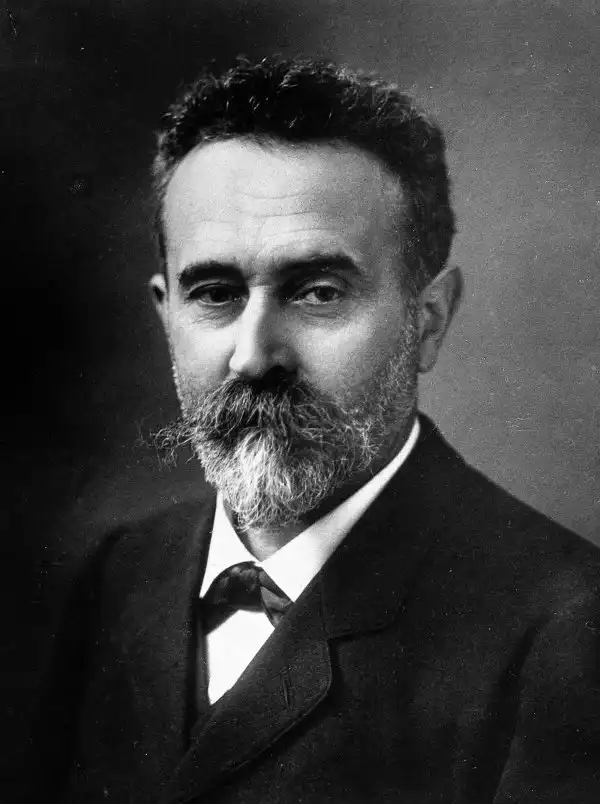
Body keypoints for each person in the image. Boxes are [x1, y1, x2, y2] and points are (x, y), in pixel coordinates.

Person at [20, 57, 600, 803]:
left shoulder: (565, 629)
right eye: (216, 293)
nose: (255, 355)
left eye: (319, 293)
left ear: (428, 320)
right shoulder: (120, 574)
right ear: (166, 313)